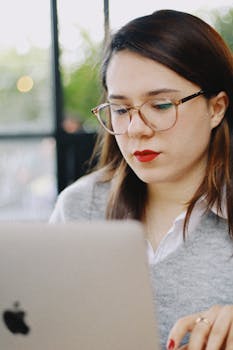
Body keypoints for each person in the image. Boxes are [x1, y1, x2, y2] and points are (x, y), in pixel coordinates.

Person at [50, 9, 233, 350]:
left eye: (161, 105)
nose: (135, 129)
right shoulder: (79, 207)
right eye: (120, 109)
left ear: (216, 108)